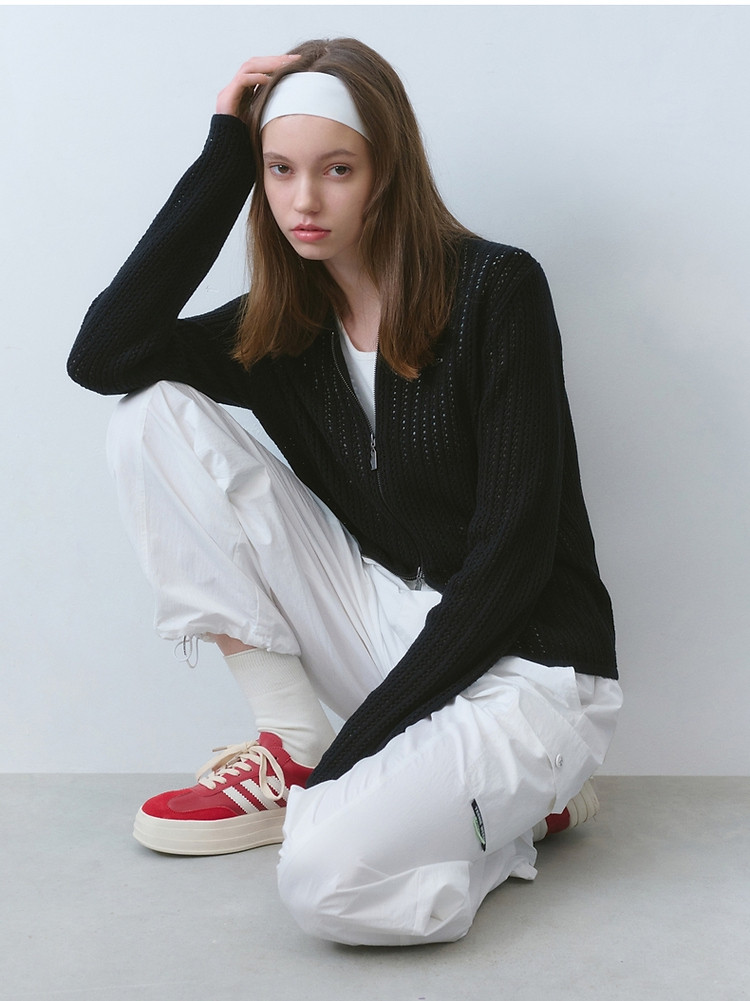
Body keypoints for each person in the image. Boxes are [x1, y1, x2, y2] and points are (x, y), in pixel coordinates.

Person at [68, 37, 622, 946]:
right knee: (148, 415)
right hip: (396, 633)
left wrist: (358, 755)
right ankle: (295, 742)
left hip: (529, 669)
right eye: (279, 170)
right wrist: (223, 161)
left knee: (320, 876)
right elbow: (104, 356)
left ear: (385, 172)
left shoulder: (497, 290)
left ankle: (513, 814)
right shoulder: (286, 327)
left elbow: (514, 562)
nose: (303, 201)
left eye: (336, 169)